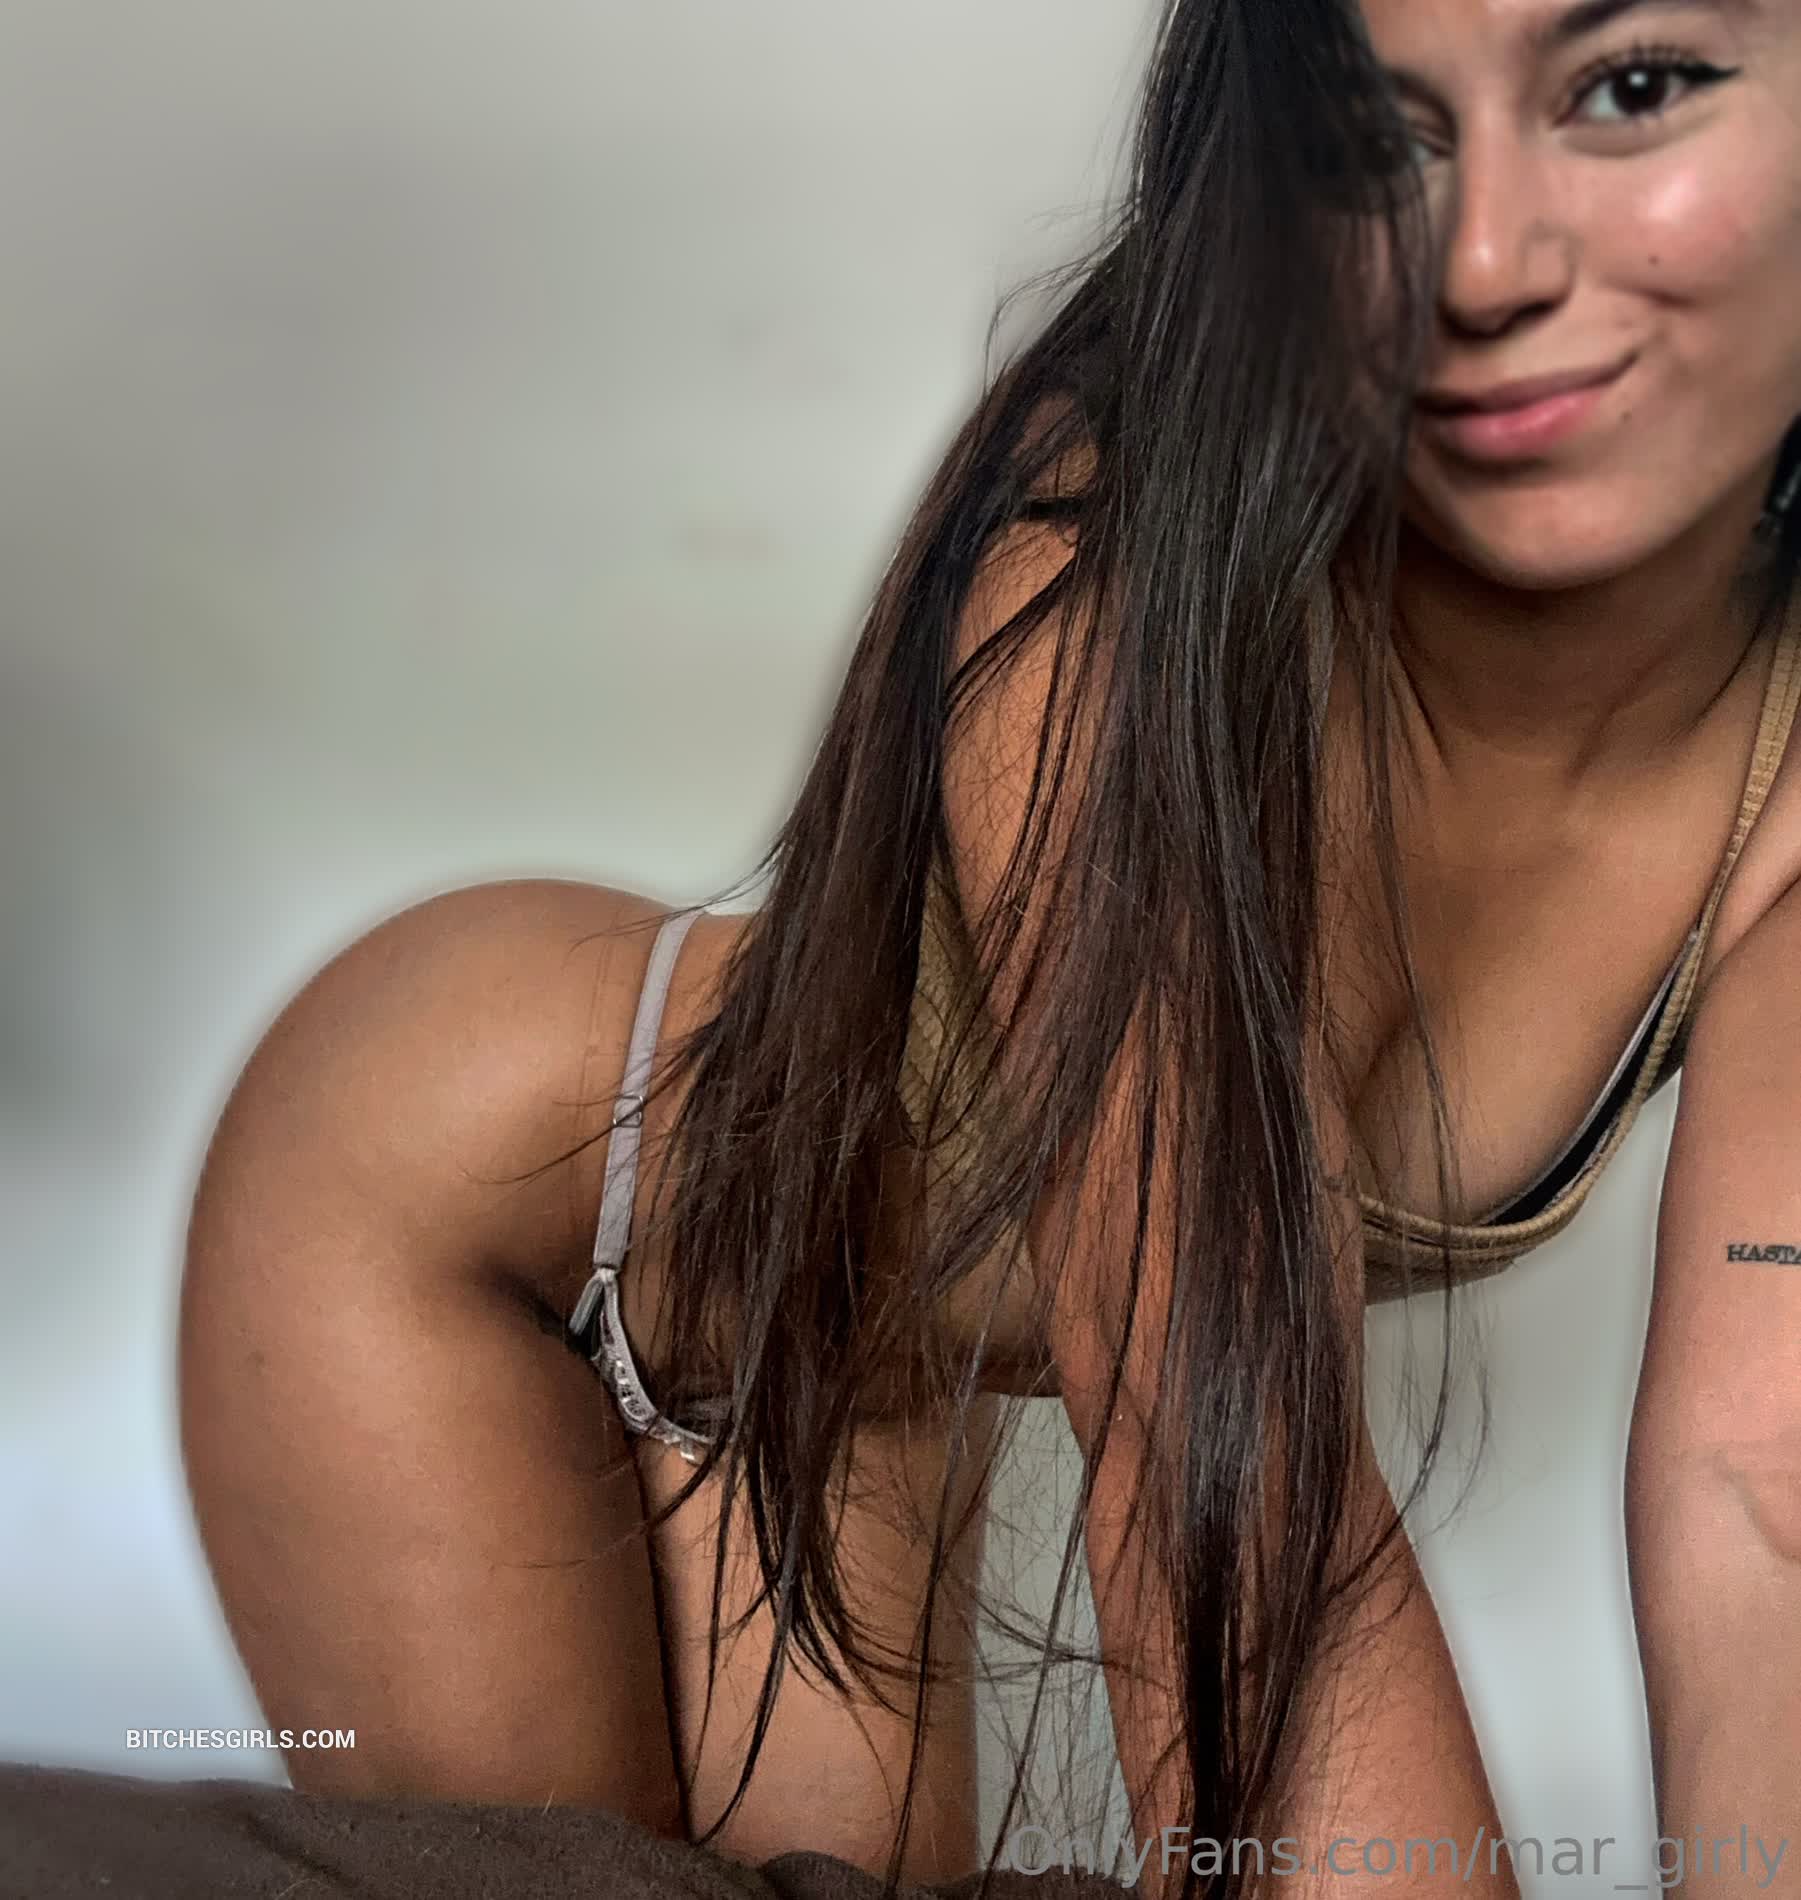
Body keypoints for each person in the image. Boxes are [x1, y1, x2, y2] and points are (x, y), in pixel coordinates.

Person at [172, 1, 1801, 1898]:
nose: (1488, 260)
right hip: (484, 1224)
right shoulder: (1115, 560)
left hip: (837, 1371)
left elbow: (1760, 1495)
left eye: (1631, 88)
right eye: (1372, 141)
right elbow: (1225, 1476)